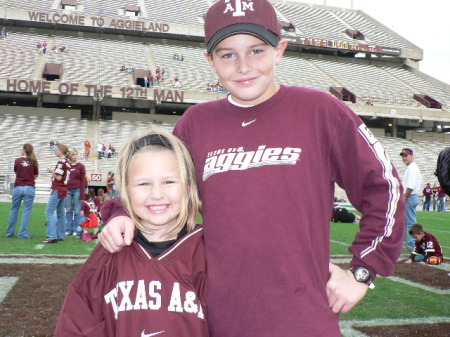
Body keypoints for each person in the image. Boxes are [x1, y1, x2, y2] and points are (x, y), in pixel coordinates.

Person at [98, 1, 405, 336]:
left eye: (256, 50)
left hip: (304, 317)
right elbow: (158, 188)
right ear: (210, 61)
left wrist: (363, 271)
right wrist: (118, 213)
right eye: (227, 54)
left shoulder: (321, 112)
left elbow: (385, 186)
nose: (244, 66)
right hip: (217, 317)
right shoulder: (195, 124)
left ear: (280, 50)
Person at [55, 130, 207, 336]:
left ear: (189, 186)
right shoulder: (110, 252)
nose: (157, 194)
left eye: (169, 182)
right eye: (144, 184)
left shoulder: (208, 252)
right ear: (126, 190)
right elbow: (77, 323)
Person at [5, 144, 39, 239]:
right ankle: (23, 233)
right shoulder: (34, 161)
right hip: (29, 187)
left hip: (18, 187)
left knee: (14, 210)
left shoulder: (17, 160)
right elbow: (35, 175)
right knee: (26, 211)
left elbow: (17, 172)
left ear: (23, 150)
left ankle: (9, 232)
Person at [43, 144, 72, 243]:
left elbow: (59, 177)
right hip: (64, 189)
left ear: (61, 151)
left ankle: (52, 236)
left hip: (58, 188)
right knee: (61, 213)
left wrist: (52, 171)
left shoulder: (61, 162)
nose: (55, 151)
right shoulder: (67, 162)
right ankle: (61, 235)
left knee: (49, 212)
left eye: (57, 149)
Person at [399, 148, 423, 251]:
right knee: (405, 222)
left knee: (410, 222)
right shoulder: (410, 167)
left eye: (406, 155)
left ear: (412, 156)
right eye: (403, 156)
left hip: (410, 196)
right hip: (410, 196)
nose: (404, 158)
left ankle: (412, 244)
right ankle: (403, 243)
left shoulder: (412, 168)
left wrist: (404, 197)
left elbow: (410, 186)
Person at [65, 149, 86, 236]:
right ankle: (68, 229)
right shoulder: (67, 166)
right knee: (69, 210)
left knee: (77, 211)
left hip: (77, 189)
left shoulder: (81, 166)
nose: (75, 156)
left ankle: (76, 229)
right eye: (73, 154)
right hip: (68, 190)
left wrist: (82, 193)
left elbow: (83, 181)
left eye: (76, 154)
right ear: (70, 155)